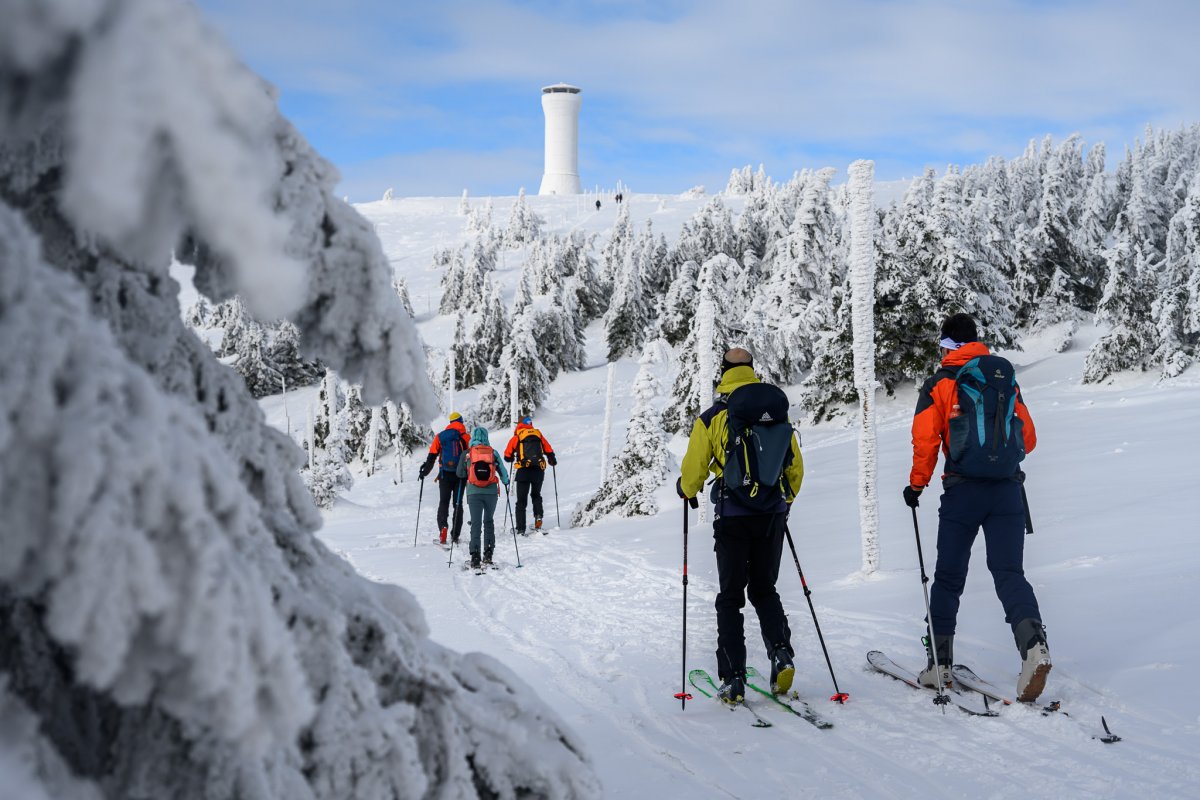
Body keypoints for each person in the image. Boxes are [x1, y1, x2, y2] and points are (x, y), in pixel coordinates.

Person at [904, 312, 1050, 702]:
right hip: (1007, 492)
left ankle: (939, 664)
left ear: (947, 346)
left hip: (963, 492)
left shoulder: (940, 383)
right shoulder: (1003, 379)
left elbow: (925, 441)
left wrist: (916, 485)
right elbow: (1028, 438)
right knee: (1010, 573)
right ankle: (1035, 646)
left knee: (948, 577)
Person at [676, 348, 805, 705]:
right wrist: (784, 501)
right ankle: (781, 652)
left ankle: (733, 677)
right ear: (752, 369)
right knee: (764, 589)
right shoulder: (775, 412)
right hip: (772, 514)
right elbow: (794, 467)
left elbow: (693, 473)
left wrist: (685, 489)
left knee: (730, 598)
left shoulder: (713, 417)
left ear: (723, 372)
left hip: (732, 516)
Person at [456, 426, 510, 569]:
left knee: (476, 523)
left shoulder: (467, 453)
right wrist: (506, 482)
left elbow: (460, 474)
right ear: (486, 437)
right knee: (488, 521)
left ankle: (475, 557)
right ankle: (488, 554)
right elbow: (504, 473)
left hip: (473, 492)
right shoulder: (493, 452)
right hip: (491, 493)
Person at [418, 412, 470, 546]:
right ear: (461, 422)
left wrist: (424, 472)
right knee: (457, 504)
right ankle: (455, 535)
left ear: (450, 423)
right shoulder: (466, 437)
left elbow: (432, 456)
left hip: (445, 475)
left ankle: (443, 528)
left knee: (444, 502)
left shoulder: (440, 436)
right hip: (461, 476)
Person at [503, 415, 557, 535]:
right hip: (538, 470)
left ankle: (520, 528)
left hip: (523, 471)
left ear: (519, 424)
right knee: (536, 495)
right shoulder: (538, 434)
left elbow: (507, 456)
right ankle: (538, 517)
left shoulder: (518, 436)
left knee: (521, 501)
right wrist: (552, 459)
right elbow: (548, 450)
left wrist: (512, 457)